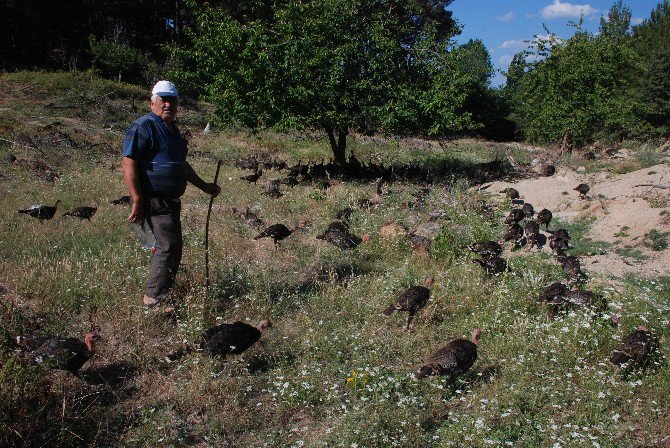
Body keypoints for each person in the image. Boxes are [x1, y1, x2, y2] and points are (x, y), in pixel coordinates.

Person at [122, 80, 221, 309]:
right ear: (152, 102)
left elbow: (181, 166)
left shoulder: (173, 131)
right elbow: (128, 163)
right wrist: (137, 199)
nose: (167, 104)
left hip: (170, 201)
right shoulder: (144, 126)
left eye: (172, 100)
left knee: (171, 247)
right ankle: (153, 301)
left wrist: (204, 186)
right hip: (153, 199)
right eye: (163, 100)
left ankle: (161, 295)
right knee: (168, 247)